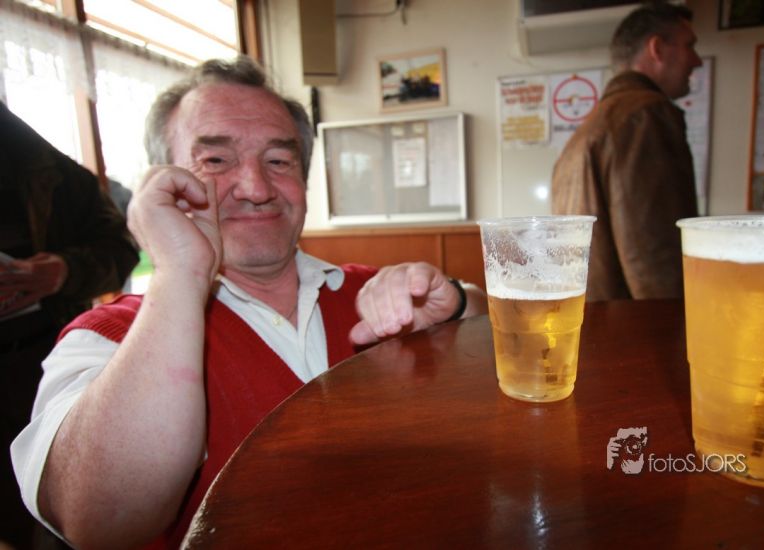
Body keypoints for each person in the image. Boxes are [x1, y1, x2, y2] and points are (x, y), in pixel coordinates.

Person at [11, 56, 486, 549]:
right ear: (166, 184)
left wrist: (456, 303)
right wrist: (180, 272)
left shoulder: (378, 293)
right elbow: (99, 520)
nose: (257, 189)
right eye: (216, 161)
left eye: (279, 161)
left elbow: (486, 332)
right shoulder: (106, 337)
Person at [0, 101, 139, 548]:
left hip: (36, 363)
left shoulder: (44, 164)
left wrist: (62, 270)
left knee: (50, 520)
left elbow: (121, 249)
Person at [551, 2, 701, 301]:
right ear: (657, 48)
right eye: (690, 46)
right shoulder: (644, 115)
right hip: (639, 324)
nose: (696, 61)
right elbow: (655, 257)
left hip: (596, 321)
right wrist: (677, 325)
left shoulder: (585, 132)